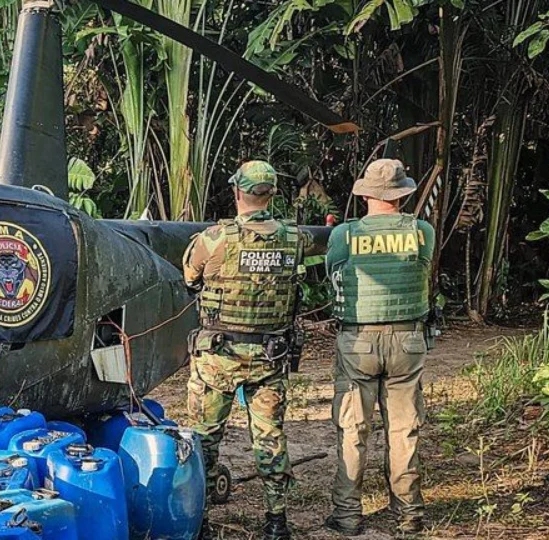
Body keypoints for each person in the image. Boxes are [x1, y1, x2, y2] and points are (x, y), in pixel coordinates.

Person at [183, 160, 305, 540]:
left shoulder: (214, 239)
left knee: (204, 438)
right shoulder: (293, 238)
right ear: (271, 194)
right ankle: (276, 520)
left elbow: (190, 277)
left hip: (220, 357)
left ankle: (199, 519)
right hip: (269, 357)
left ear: (238, 192)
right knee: (270, 437)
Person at [324, 158, 435, 536]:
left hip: (358, 340)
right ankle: (409, 514)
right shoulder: (422, 231)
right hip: (408, 338)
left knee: (353, 428)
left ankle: (348, 516)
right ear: (402, 194)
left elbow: (332, 274)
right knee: (404, 428)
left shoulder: (344, 234)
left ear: (367, 194)